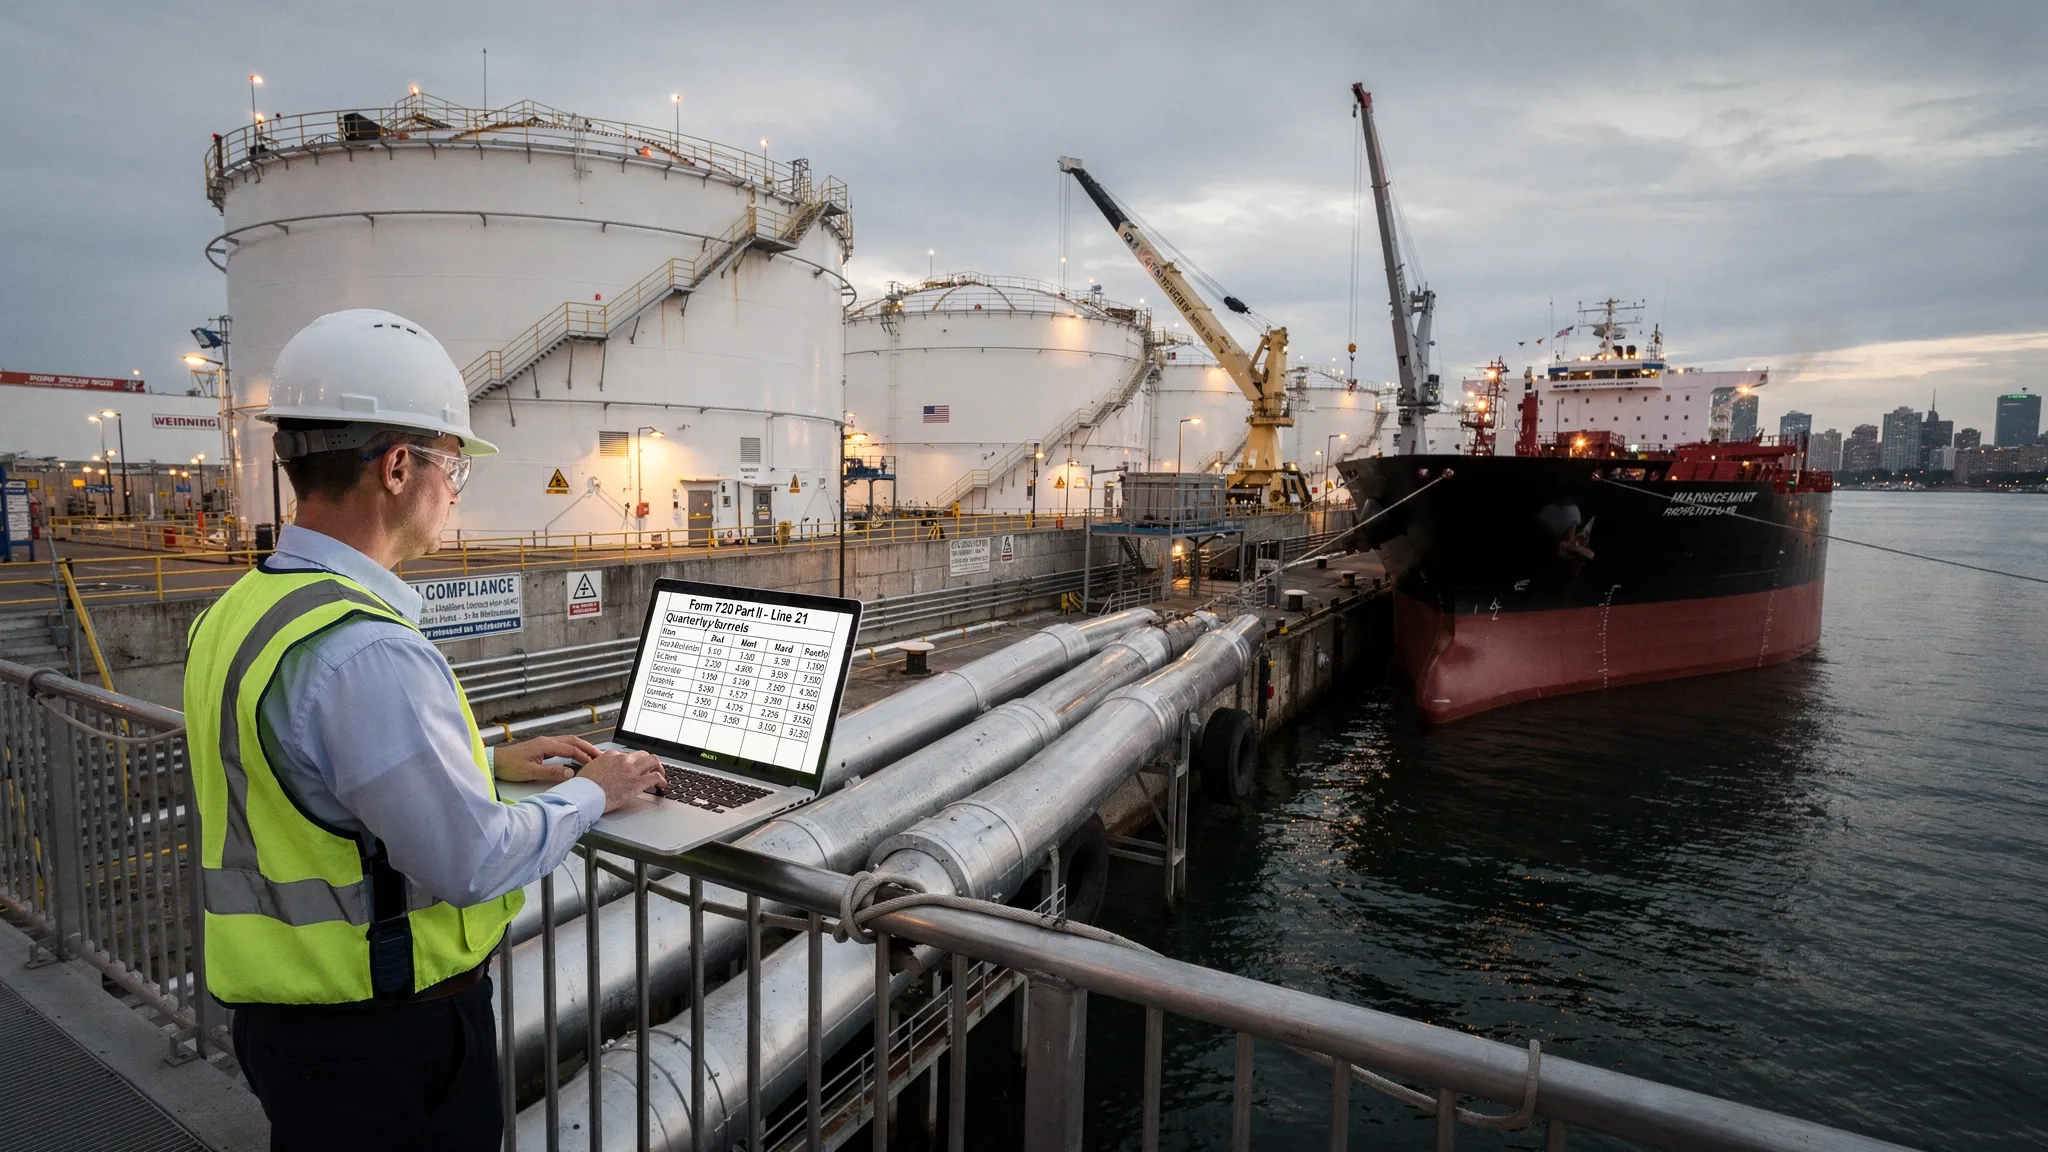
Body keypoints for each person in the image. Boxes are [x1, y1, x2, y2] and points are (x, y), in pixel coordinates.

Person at [183, 309, 666, 1151]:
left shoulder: (243, 611)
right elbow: (471, 861)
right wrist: (596, 792)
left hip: (287, 1026)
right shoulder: (367, 650)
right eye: (455, 469)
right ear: (399, 467)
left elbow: (307, 771)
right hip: (384, 1039)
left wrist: (482, 757)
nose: (454, 493)